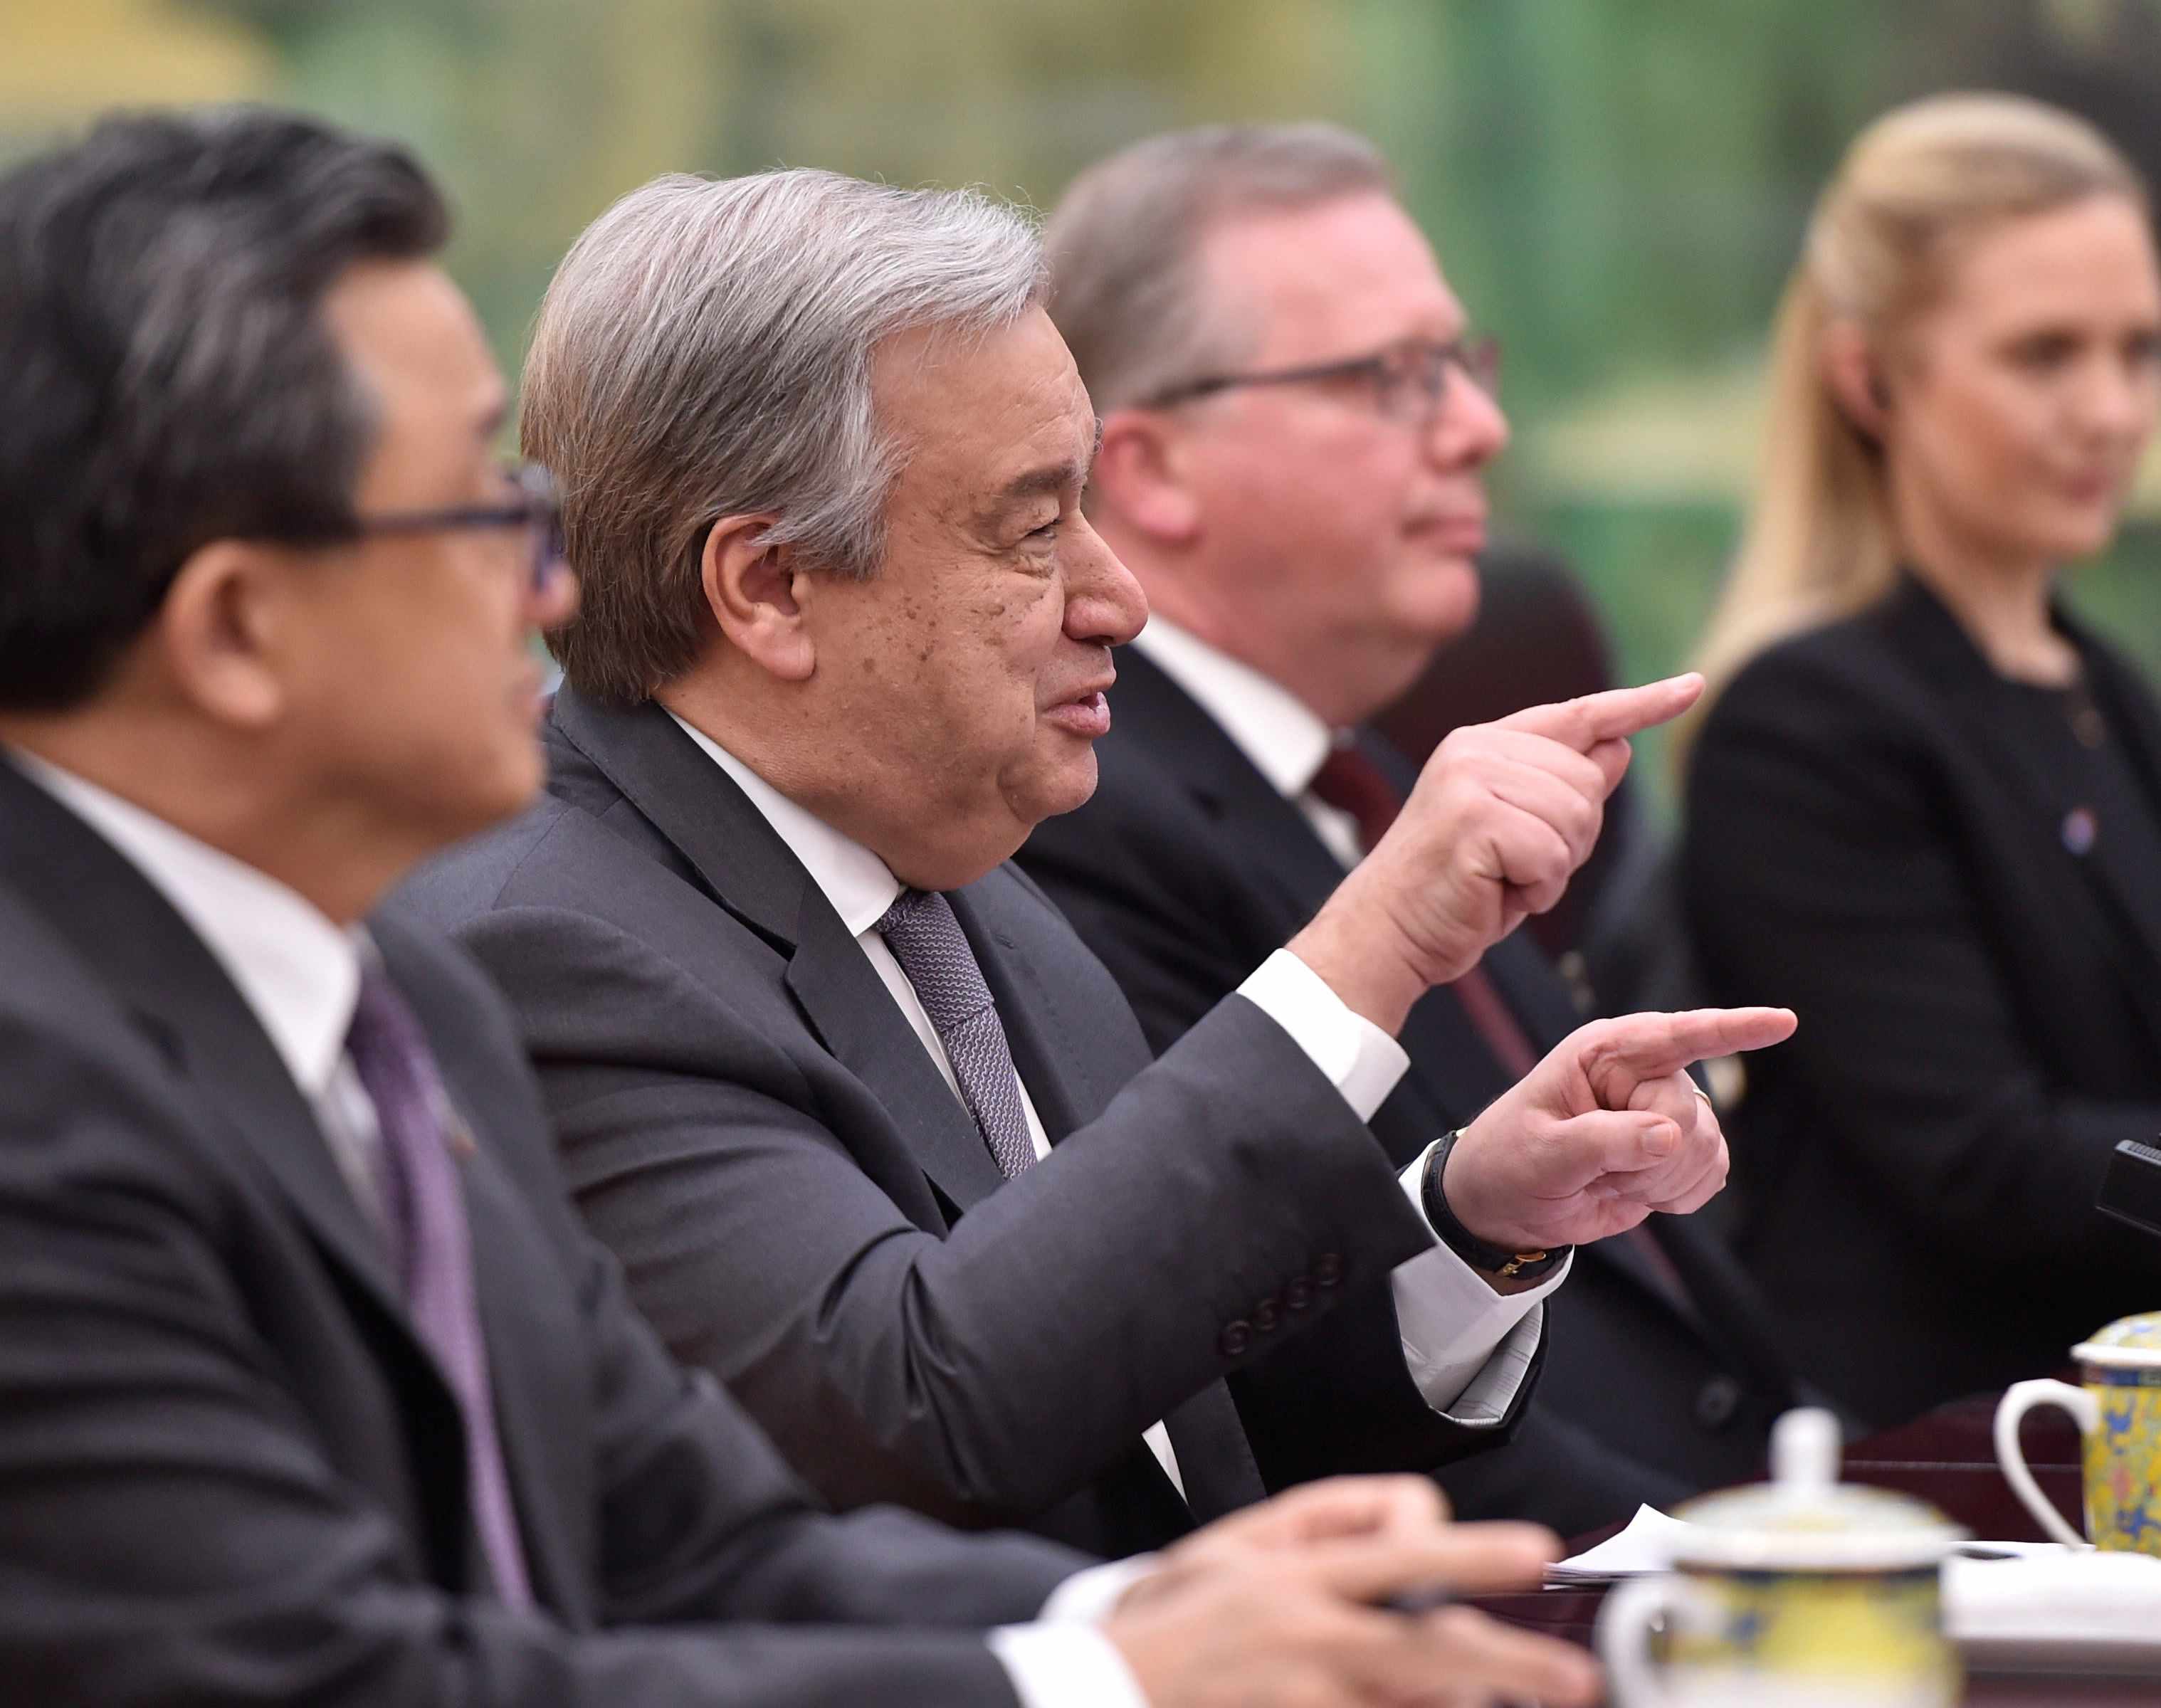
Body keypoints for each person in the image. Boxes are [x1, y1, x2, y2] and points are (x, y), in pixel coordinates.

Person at [0, 105, 1616, 1708]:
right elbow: (353, 1676)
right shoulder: (88, 1090)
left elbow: (704, 1546)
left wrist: (1155, 1632)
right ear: (234, 630)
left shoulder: (395, 1005)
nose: (546, 583)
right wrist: (1104, 1679)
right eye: (482, 515)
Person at [399, 159, 1794, 1562]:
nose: (1117, 598)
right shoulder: (550, 951)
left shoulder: (970, 891)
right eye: (1032, 529)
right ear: (769, 587)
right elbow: (913, 1415)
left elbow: (1173, 1408)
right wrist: (1371, 949)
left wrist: (1469, 1219)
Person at [1015, 122, 1807, 1525]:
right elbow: (1258, 1372)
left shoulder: (1362, 769)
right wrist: (1736, 1558)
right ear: (1152, 472)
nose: (1479, 429)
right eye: (1389, 378)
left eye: (1462, 362)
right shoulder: (1076, 813)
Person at [1680, 93, 2161, 1429]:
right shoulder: (1805, 724)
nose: (2111, 409)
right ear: (1871, 380)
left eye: (2139, 349)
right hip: (1953, 1456)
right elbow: (1980, 1160)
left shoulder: (2102, 689)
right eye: (2044, 355)